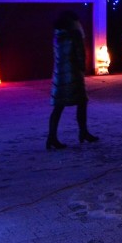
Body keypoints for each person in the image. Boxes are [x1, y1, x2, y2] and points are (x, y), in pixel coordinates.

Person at [47, 11, 98, 149]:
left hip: (59, 75)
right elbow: (80, 53)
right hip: (73, 74)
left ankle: (51, 137)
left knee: (58, 107)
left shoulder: (57, 35)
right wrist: (82, 68)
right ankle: (83, 132)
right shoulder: (75, 34)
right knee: (82, 102)